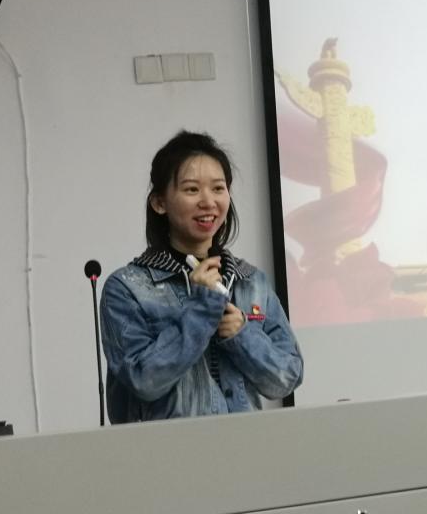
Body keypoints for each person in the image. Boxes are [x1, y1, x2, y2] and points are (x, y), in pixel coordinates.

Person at [100, 131, 303, 423]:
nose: (208, 201)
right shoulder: (128, 288)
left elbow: (286, 378)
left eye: (218, 188)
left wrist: (243, 335)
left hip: (245, 443)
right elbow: (143, 380)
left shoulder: (250, 281)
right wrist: (201, 310)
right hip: (166, 449)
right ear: (159, 202)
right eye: (192, 189)